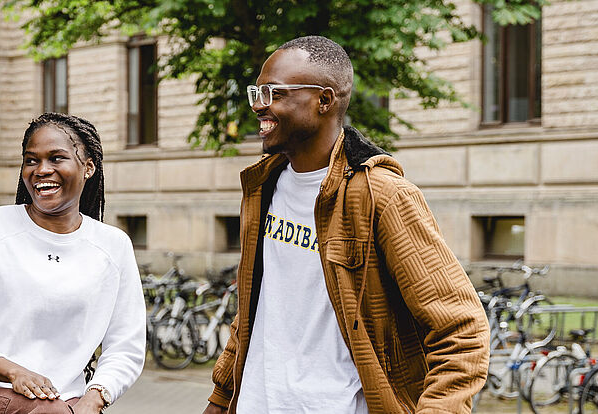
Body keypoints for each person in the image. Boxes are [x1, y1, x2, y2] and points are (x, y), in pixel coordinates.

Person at [202, 36, 489, 414]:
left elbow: (462, 331)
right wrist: (221, 399)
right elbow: (257, 308)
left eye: (274, 92)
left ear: (324, 100)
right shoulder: (261, 189)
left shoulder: (382, 196)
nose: (259, 105)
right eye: (257, 91)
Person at [0, 113, 146, 414]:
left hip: (64, 401)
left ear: (88, 167)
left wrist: (95, 396)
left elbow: (126, 344)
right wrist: (14, 372)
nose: (42, 170)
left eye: (56, 158)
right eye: (31, 160)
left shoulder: (113, 245)